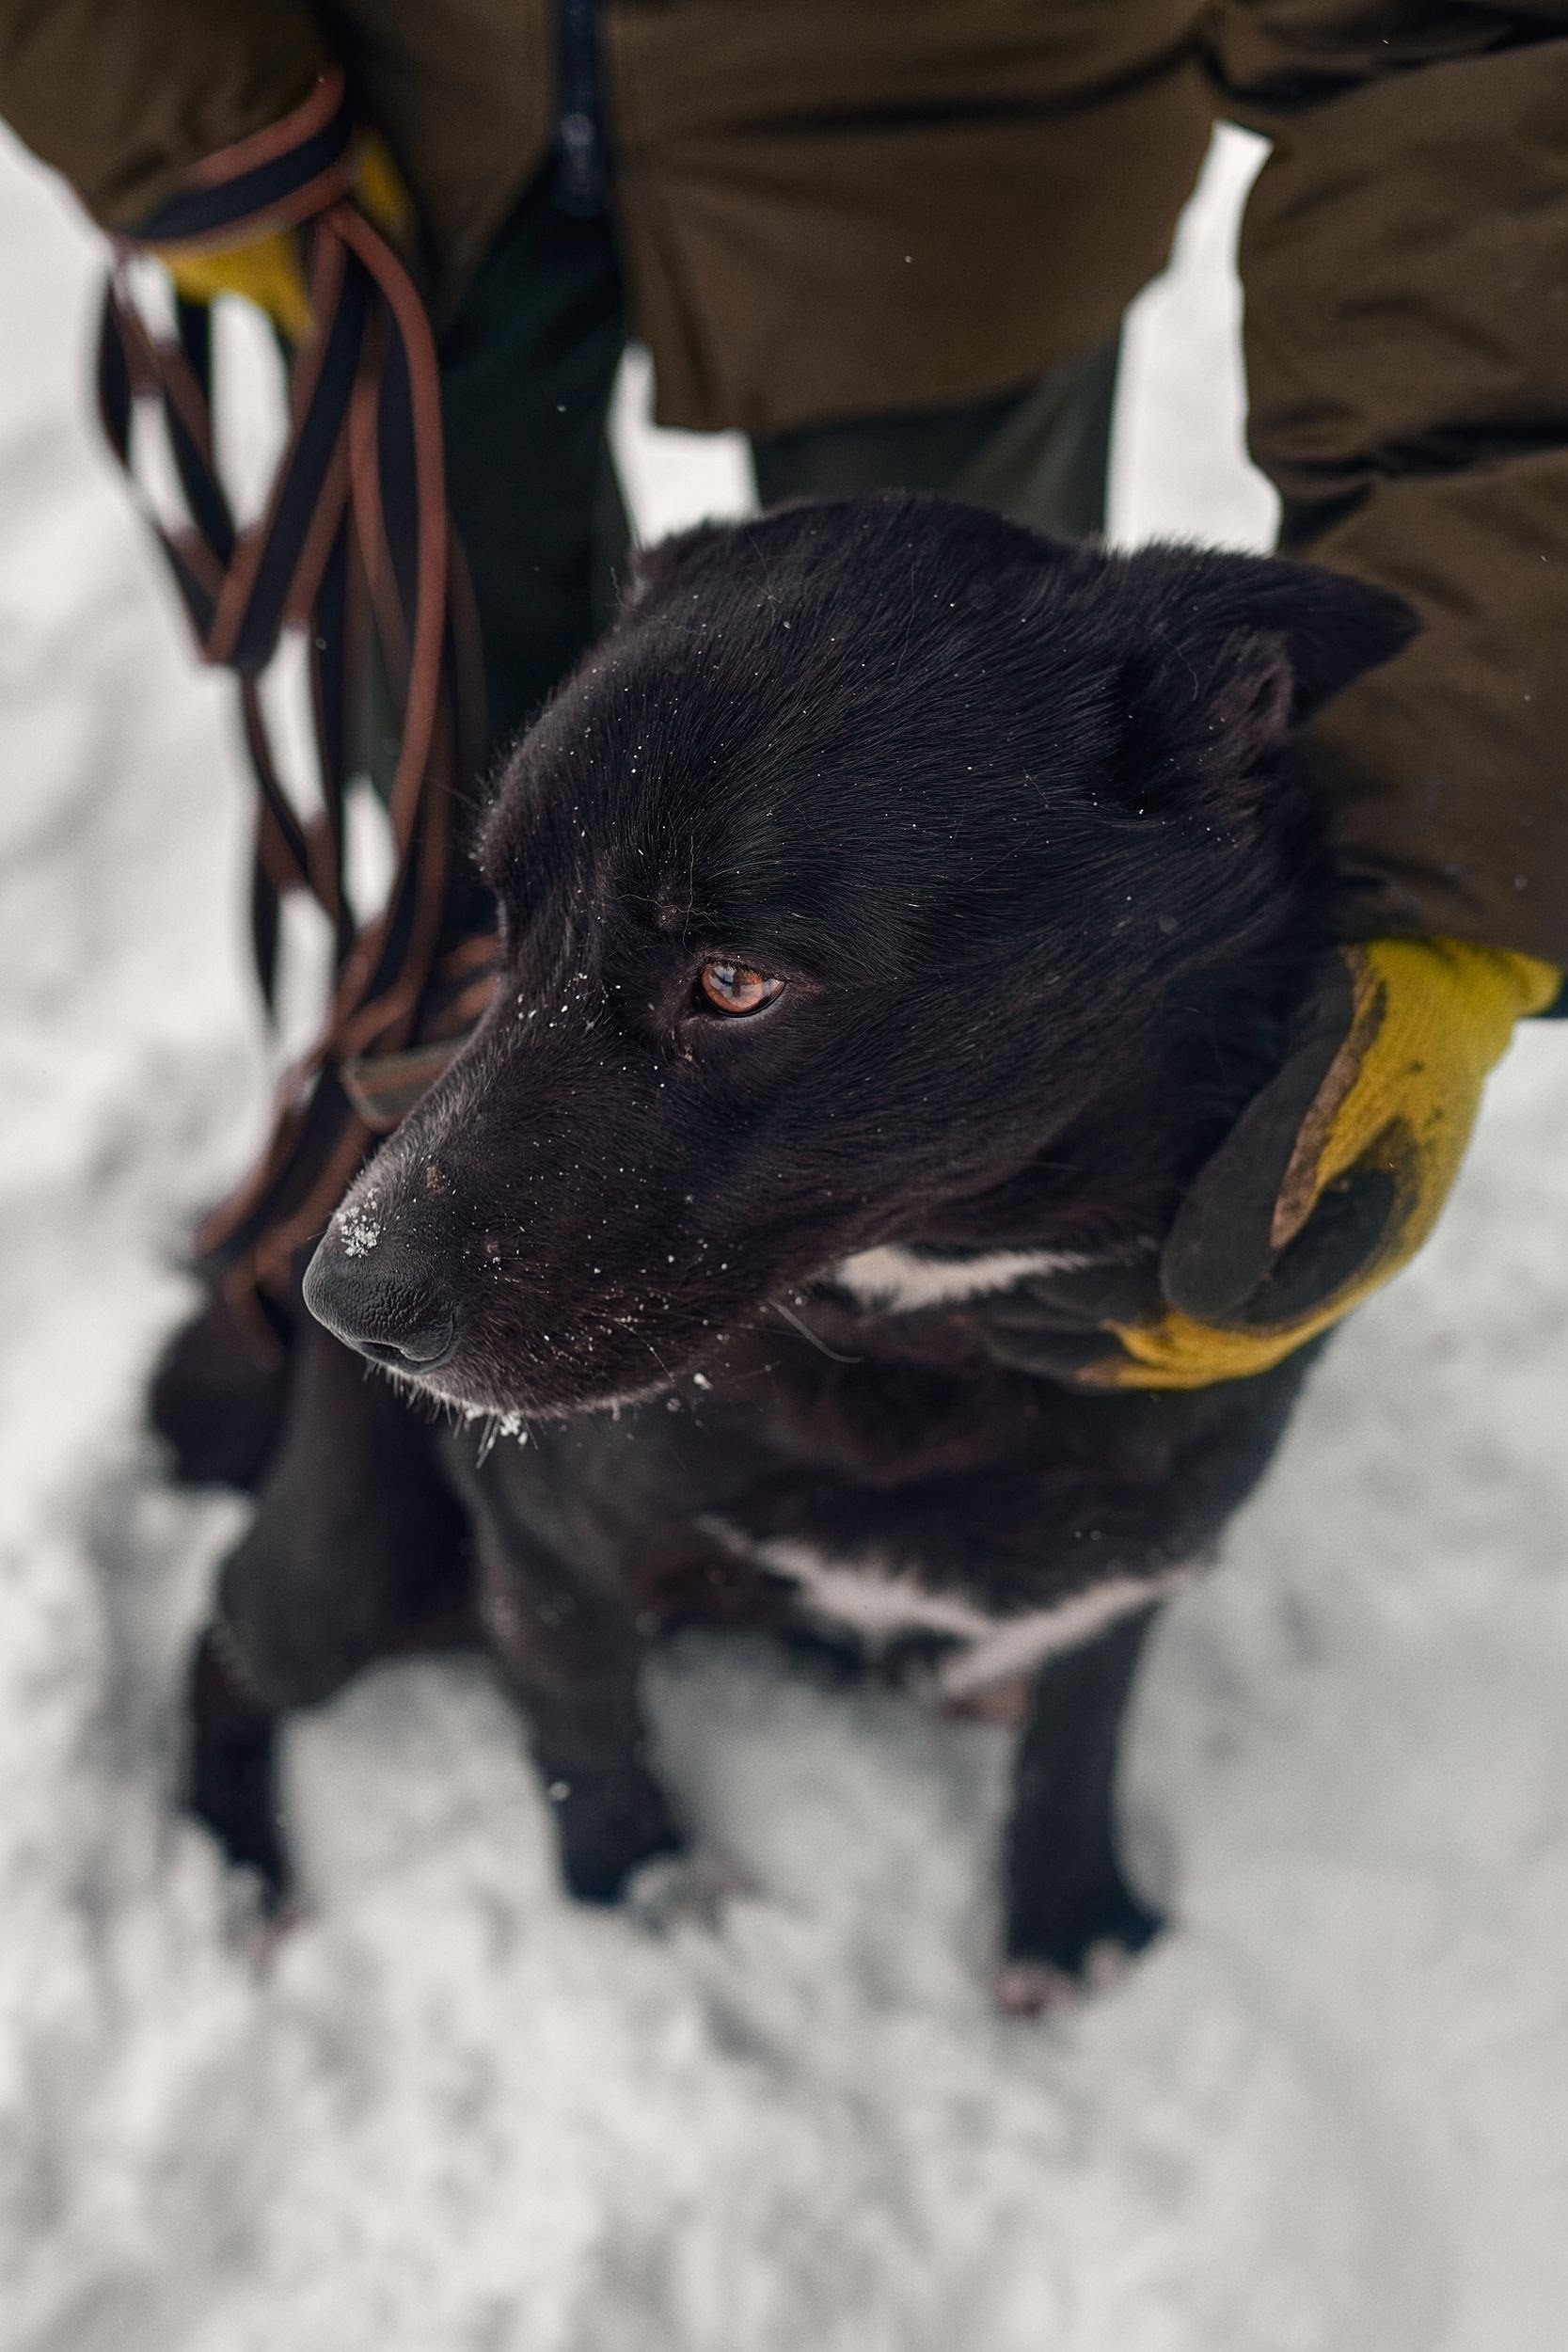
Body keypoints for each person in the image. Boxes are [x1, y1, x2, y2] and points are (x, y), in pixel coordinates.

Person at [0, 0, 1563, 1423]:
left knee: (940, 902)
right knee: (518, 801)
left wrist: (1449, 868)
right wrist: (156, 88)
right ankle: (495, 1362)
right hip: (387, 128)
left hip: (955, 142)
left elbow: (1467, 44)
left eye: (729, 984)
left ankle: (957, 1410)